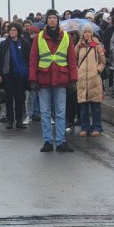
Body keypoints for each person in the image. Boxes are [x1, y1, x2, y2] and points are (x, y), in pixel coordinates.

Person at [29, 9, 77, 153]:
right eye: (50, 18)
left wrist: (73, 79)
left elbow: (72, 60)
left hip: (61, 79)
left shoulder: (66, 37)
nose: (52, 20)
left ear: (58, 20)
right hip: (44, 79)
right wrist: (33, 79)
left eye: (54, 18)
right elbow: (33, 59)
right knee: (45, 113)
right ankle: (48, 141)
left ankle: (61, 142)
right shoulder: (39, 37)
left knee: (61, 112)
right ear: (46, 20)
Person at [0, 23, 30, 130]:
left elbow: (28, 59)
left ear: (18, 31)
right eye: (10, 30)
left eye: (14, 30)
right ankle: (10, 121)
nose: (12, 32)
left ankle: (19, 121)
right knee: (8, 98)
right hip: (8, 74)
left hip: (21, 75)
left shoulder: (25, 43)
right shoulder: (5, 44)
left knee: (19, 98)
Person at [75, 27, 106, 136]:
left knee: (95, 106)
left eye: (89, 32)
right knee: (83, 107)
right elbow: (73, 61)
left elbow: (103, 61)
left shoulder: (97, 46)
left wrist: (98, 70)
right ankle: (85, 127)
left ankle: (97, 127)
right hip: (82, 79)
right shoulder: (78, 46)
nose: (87, 34)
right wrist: (77, 72)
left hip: (94, 79)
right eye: (85, 32)